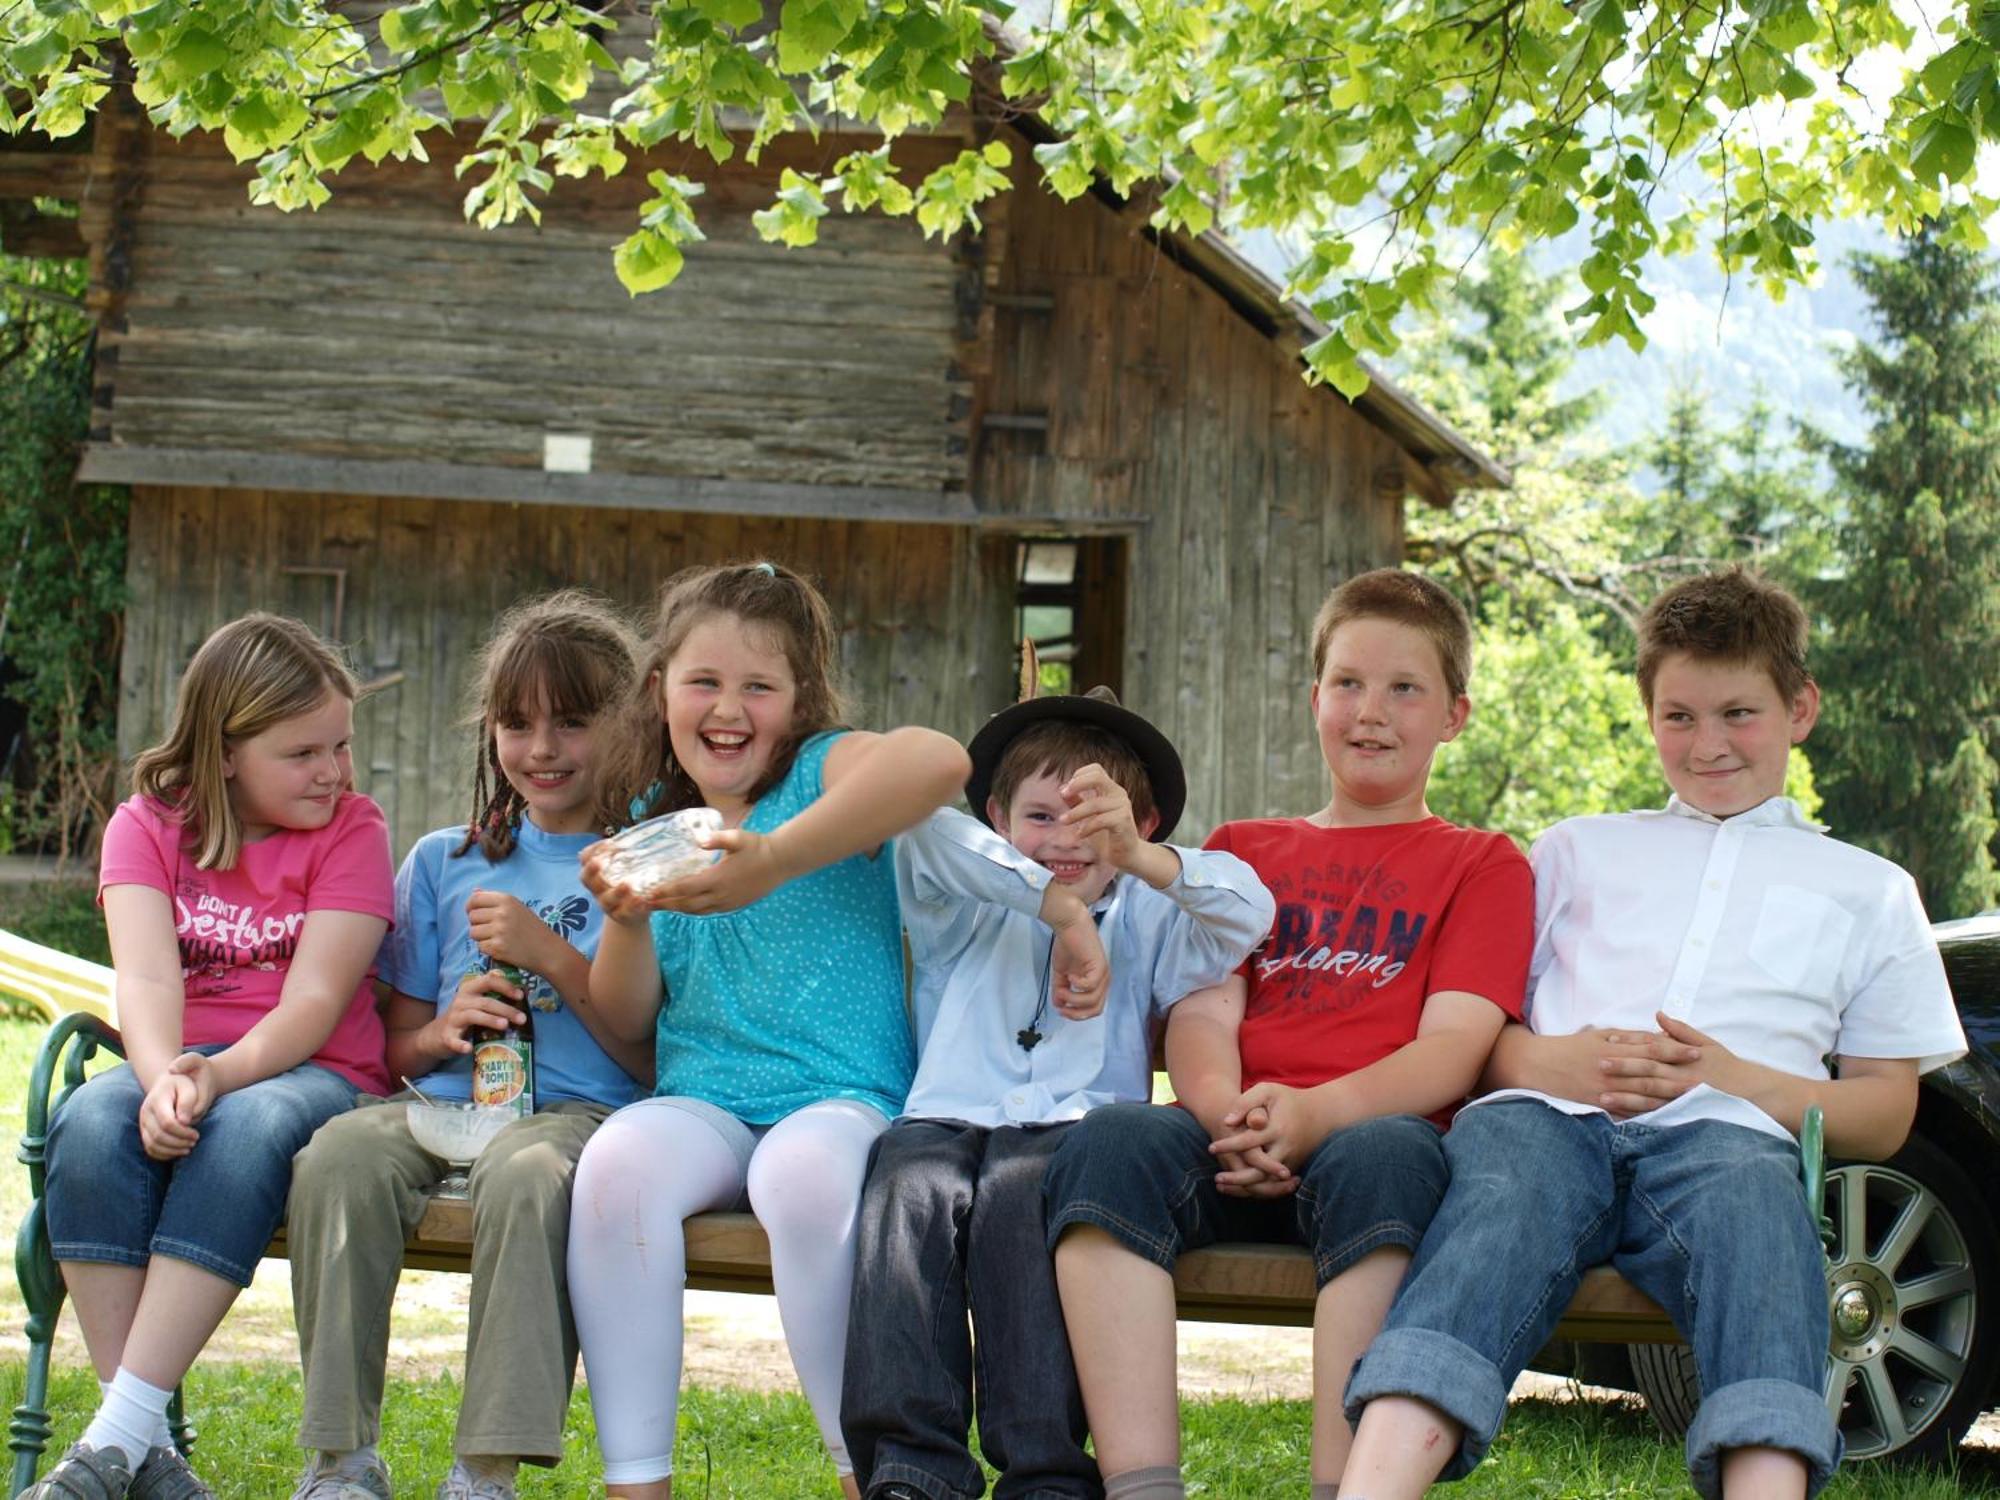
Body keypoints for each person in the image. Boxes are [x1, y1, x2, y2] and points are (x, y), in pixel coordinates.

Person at [1340, 568, 1969, 1500]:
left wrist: (1731, 1076)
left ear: (1801, 708)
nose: (1708, 744)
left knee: (1763, 1233)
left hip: (1731, 1140)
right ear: (1648, 715)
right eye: (1679, 717)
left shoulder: (1870, 889)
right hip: (1544, 1120)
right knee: (1498, 1212)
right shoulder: (1573, 849)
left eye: (1739, 715)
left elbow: (1882, 1113)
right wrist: (1553, 1061)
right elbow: (1480, 1033)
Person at [1043, 569, 1535, 1500]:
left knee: (1389, 1157)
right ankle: (1141, 1485)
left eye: (1405, 689)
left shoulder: (1480, 862)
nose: (1370, 712)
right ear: (1314, 698)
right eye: (1348, 683)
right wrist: (1229, 1114)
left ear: (1454, 714)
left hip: (1373, 1139)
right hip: (1231, 1135)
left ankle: (1340, 1486)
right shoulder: (1244, 851)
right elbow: (1205, 1009)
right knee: (1111, 1143)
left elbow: (1452, 1050)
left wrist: (1315, 1115)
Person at [565, 559, 971, 1500]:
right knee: (615, 1167)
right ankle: (637, 1483)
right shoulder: (654, 820)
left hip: (840, 1096)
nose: (728, 708)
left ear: (802, 699)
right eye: (703, 681)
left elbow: (940, 760)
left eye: (760, 686)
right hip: (704, 1100)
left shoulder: (825, 778)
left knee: (799, 1175)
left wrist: (774, 861)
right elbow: (627, 1017)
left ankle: (866, 1474)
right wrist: (626, 919)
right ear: (661, 688)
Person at [840, 685, 1275, 1500]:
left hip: (1067, 1136)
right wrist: (1063, 915)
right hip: (943, 1117)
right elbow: (926, 830)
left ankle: (1043, 1473)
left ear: (1142, 827)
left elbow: (1249, 910)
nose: (1064, 841)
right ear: (999, 819)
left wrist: (1144, 863)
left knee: (1025, 1206)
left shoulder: (1150, 916)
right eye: (1040, 816)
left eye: (1095, 823)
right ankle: (911, 1466)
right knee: (903, 1191)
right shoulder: (963, 906)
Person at [287, 592, 651, 1500]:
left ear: (628, 725)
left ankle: (484, 1471)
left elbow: (652, 1059)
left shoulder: (643, 867)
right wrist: (442, 1031)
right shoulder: (445, 862)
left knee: (529, 1177)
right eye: (516, 723)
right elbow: (393, 1047)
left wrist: (550, 955)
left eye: (572, 722)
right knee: (337, 1155)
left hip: (578, 1113)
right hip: (443, 1105)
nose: (541, 749)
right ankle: (340, 1459)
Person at [31, 614, 394, 1500]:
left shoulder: (354, 830)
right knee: (88, 1119)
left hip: (309, 1073)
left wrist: (215, 1078)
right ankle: (142, 1450)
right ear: (224, 750)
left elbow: (312, 1005)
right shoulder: (146, 826)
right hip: (181, 1059)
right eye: (303, 752)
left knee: (250, 1122)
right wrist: (163, 1086)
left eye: (340, 746)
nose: (333, 771)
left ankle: (107, 1445)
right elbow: (148, 985)